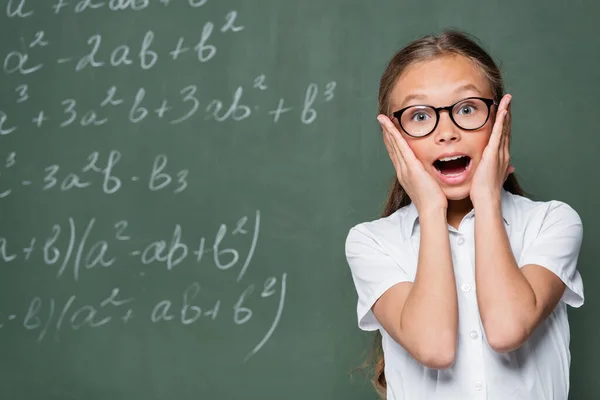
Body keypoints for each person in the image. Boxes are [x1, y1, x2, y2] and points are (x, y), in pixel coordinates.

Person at [344, 29, 584, 400]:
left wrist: (487, 200)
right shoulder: (373, 241)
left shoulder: (551, 222)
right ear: (393, 137)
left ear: (500, 121)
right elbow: (435, 347)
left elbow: (506, 329)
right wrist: (431, 208)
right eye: (420, 116)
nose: (447, 133)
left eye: (467, 109)